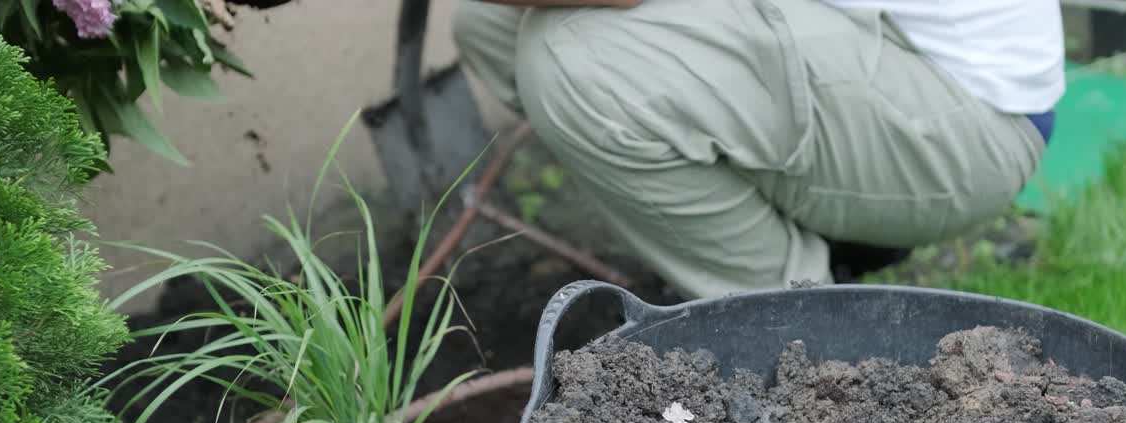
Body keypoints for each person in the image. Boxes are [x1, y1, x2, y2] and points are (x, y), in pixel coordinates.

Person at [452, 0, 1064, 297]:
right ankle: (774, 239)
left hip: (971, 117)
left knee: (575, 63)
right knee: (491, 22)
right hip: (875, 41)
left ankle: (801, 328)